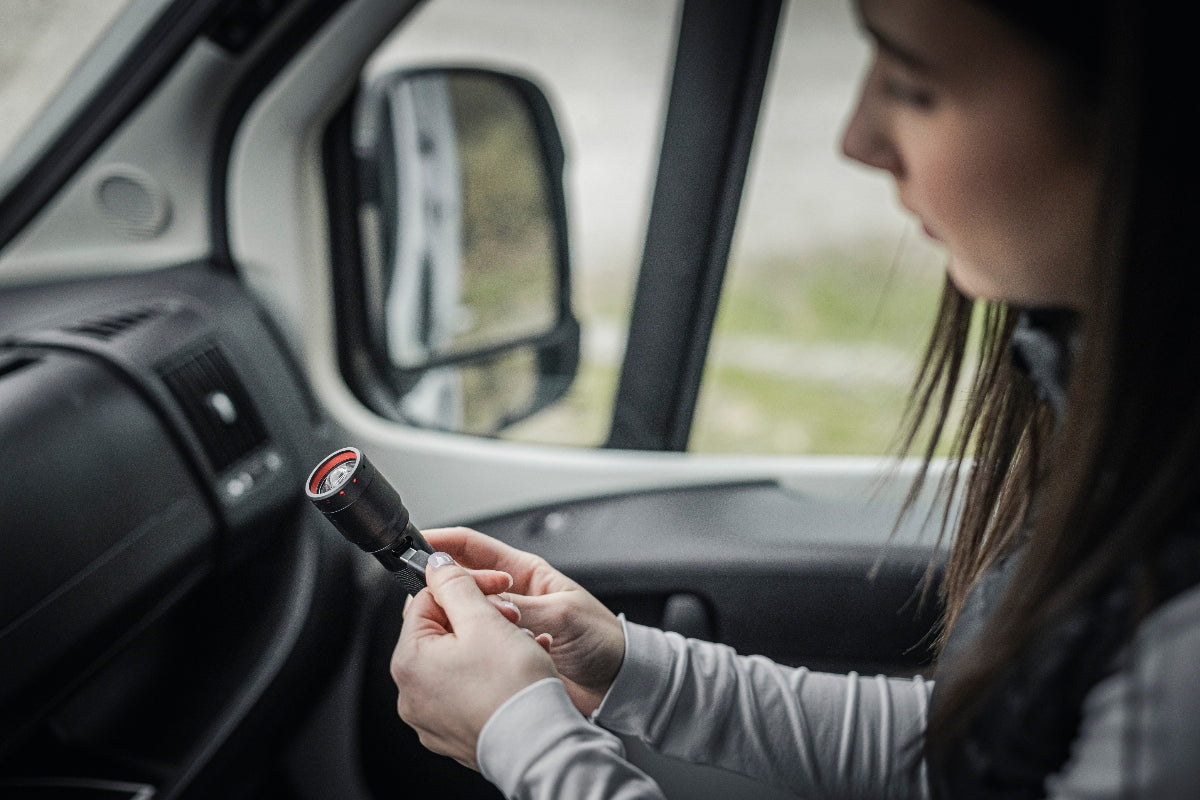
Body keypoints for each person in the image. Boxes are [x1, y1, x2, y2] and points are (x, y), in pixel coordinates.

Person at [389, 0, 1200, 797]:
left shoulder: (1181, 648)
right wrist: (628, 665)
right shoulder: (1119, 433)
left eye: (914, 87)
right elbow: (972, 755)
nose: (858, 138)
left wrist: (528, 744)